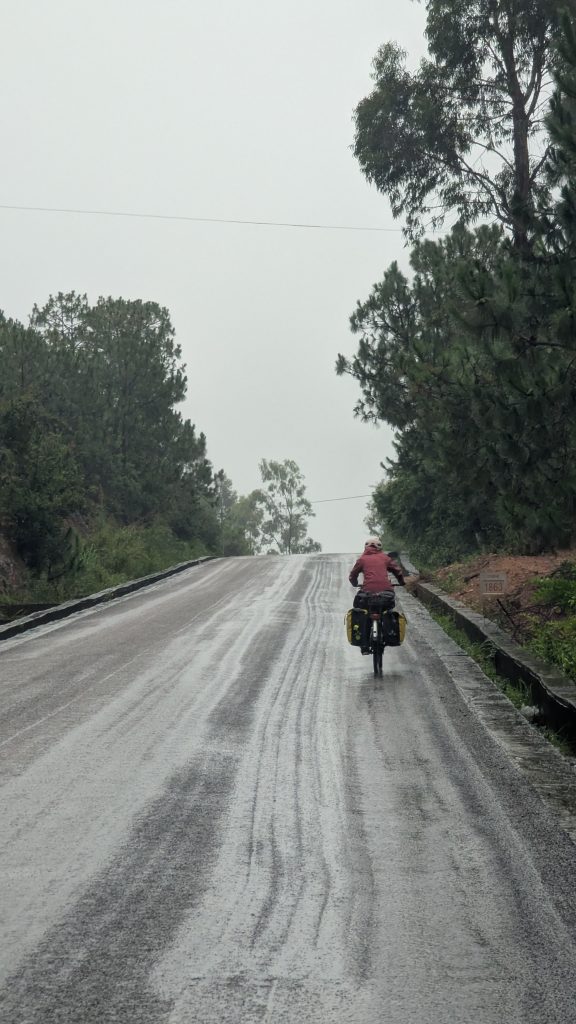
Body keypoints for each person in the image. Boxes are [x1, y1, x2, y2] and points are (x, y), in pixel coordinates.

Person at [349, 538, 405, 652]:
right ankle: (388, 633)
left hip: (367, 594)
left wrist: (355, 583)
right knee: (387, 610)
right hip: (386, 594)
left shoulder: (362, 559)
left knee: (362, 609)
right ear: (380, 548)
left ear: (366, 547)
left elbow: (352, 575)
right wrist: (402, 582)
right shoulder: (385, 558)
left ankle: (364, 644)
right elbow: (397, 571)